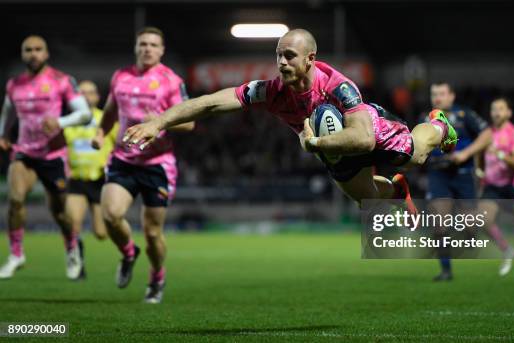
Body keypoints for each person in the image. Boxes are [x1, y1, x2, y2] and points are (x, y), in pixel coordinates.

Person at [122, 29, 457, 218]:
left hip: (369, 130)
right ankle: (397, 188)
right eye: (278, 55)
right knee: (369, 201)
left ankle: (439, 124)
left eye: (289, 56)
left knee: (417, 155)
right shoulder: (271, 92)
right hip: (333, 151)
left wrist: (316, 145)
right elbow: (211, 103)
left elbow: (364, 139)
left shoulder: (337, 86)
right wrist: (160, 122)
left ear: (310, 59)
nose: (281, 62)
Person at [92, 27, 193, 304]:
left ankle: (157, 276)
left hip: (157, 164)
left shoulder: (171, 80)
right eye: (143, 44)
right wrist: (101, 133)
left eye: (153, 45)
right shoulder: (120, 76)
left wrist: (160, 119)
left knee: (151, 233)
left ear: (161, 50)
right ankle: (127, 252)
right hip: (123, 160)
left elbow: (189, 122)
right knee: (110, 214)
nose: (147, 48)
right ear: (136, 48)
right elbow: (111, 110)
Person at [0, 35, 92, 280]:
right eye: (28, 49)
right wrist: (3, 134)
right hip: (24, 151)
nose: (33, 53)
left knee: (59, 211)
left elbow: (84, 114)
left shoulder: (62, 81)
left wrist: (60, 121)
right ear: (22, 54)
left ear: (46, 53)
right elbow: (9, 112)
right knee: (16, 199)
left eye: (38, 49)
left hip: (53, 154)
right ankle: (16, 254)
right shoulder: (14, 84)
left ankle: (72, 247)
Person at [425, 82, 491, 281]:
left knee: (471, 228)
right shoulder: (425, 119)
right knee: (439, 224)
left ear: (451, 96)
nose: (437, 97)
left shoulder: (464, 115)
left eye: (442, 93)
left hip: (463, 174)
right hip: (438, 174)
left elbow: (487, 135)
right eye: (434, 94)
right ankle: (446, 270)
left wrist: (465, 154)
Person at [63, 80, 119, 279]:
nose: (86, 96)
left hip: (99, 180)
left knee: (101, 233)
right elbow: (60, 147)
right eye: (82, 93)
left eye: (91, 92)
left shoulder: (107, 119)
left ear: (97, 97)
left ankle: (125, 251)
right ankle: (78, 264)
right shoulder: (69, 121)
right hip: (76, 179)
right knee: (73, 223)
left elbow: (119, 146)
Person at [477, 97, 514, 279]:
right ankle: (506, 249)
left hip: (512, 185)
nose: (496, 112)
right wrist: (480, 171)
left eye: (500, 109)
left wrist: (500, 153)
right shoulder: (486, 134)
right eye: (493, 109)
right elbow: (478, 155)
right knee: (483, 220)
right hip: (492, 185)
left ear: (509, 113)